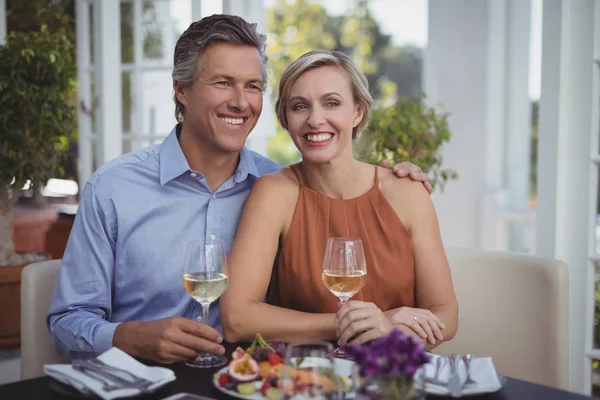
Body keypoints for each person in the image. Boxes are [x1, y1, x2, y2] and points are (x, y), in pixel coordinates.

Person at [46, 15, 431, 364]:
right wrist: (127, 337)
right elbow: (67, 320)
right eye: (222, 83)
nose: (241, 102)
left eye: (253, 86)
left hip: (248, 381)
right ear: (181, 90)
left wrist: (396, 177)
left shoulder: (280, 188)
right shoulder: (113, 188)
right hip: (138, 380)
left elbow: (345, 196)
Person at [221, 50, 458, 350]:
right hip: (307, 379)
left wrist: (390, 332)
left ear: (357, 112)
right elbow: (236, 319)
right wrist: (358, 323)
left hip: (393, 379)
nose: (315, 120)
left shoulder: (407, 192)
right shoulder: (274, 193)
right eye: (299, 106)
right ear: (286, 118)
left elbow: (446, 315)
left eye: (331, 103)